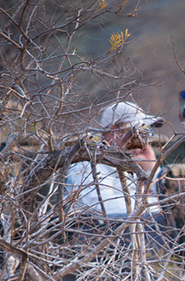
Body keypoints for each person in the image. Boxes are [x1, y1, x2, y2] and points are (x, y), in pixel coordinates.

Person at [63, 100, 169, 238]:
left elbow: (167, 202)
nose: (142, 140)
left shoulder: (136, 165)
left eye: (146, 133)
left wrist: (152, 171)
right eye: (135, 133)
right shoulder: (87, 165)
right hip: (102, 241)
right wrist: (163, 213)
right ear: (111, 133)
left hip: (142, 235)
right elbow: (107, 210)